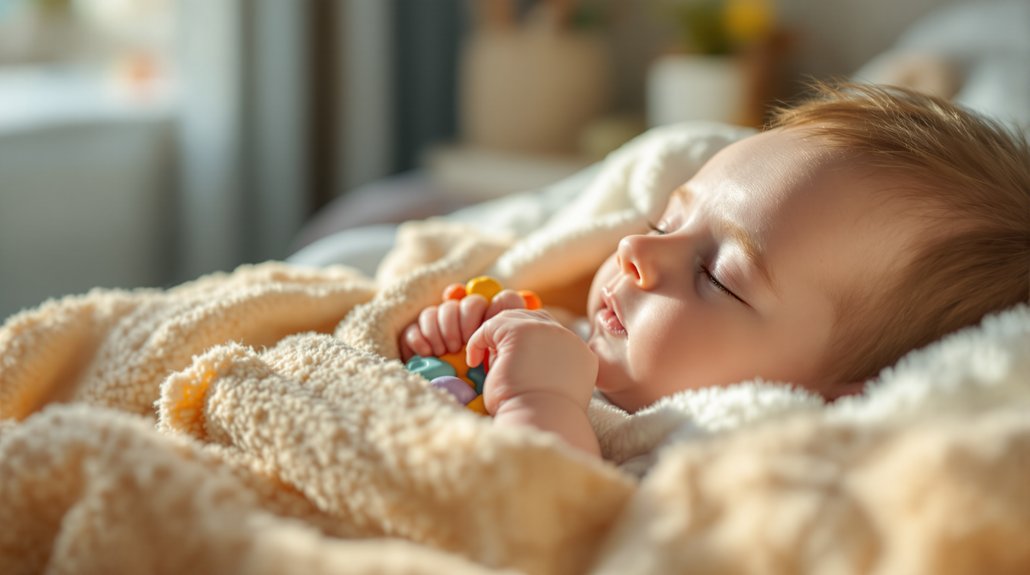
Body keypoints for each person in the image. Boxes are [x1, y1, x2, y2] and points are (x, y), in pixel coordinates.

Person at [398, 82, 1030, 457]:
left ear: (843, 391)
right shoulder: (567, 335)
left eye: (717, 276)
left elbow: (557, 525)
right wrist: (453, 345)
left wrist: (538, 400)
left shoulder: (724, 449)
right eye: (664, 223)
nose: (636, 255)